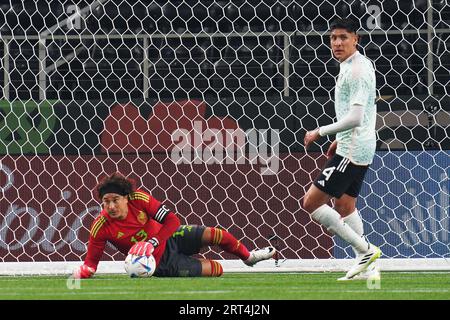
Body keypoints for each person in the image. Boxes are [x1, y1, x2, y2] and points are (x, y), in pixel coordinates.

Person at [73, 172, 275, 279]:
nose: (110, 206)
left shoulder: (140, 199)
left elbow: (172, 220)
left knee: (216, 234)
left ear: (126, 198)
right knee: (216, 269)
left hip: (170, 236)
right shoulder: (101, 225)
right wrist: (81, 273)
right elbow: (91, 264)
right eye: (105, 202)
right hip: (160, 264)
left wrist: (153, 241)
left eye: (115, 199)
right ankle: (189, 262)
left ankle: (250, 258)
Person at [303, 18, 381, 281]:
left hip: (352, 149)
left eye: (343, 37)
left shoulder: (357, 70)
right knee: (345, 206)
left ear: (356, 39)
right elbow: (366, 111)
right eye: (333, 38)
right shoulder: (353, 66)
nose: (337, 43)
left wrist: (321, 132)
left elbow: (357, 117)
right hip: (357, 144)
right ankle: (367, 266)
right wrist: (342, 137)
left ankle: (366, 251)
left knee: (311, 203)